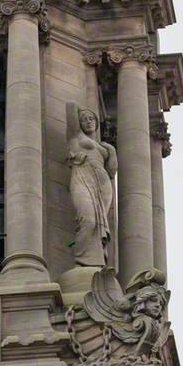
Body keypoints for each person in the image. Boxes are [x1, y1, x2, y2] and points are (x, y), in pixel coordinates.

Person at [66, 103, 117, 268]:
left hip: (102, 183)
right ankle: (82, 261)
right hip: (81, 176)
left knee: (100, 223)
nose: (88, 122)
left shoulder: (104, 147)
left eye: (91, 119)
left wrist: (112, 152)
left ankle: (98, 260)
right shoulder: (75, 137)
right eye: (84, 120)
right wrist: (83, 109)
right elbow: (71, 107)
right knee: (88, 220)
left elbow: (111, 171)